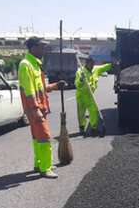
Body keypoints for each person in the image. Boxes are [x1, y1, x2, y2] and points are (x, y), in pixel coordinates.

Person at [18, 37, 66, 179]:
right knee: (44, 137)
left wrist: (55, 86)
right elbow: (29, 91)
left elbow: (40, 88)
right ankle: (46, 168)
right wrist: (35, 109)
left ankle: (39, 164)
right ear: (33, 48)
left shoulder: (35, 65)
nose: (44, 50)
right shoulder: (26, 65)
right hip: (35, 110)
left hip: (38, 108)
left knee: (37, 138)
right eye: (41, 47)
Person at [75, 57, 112, 136]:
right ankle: (82, 127)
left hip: (90, 95)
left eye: (93, 64)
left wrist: (112, 64)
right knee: (81, 113)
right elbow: (77, 84)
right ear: (86, 64)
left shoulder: (95, 69)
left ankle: (93, 128)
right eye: (90, 65)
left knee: (93, 111)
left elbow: (104, 67)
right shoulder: (80, 72)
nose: (92, 66)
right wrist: (81, 80)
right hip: (81, 96)